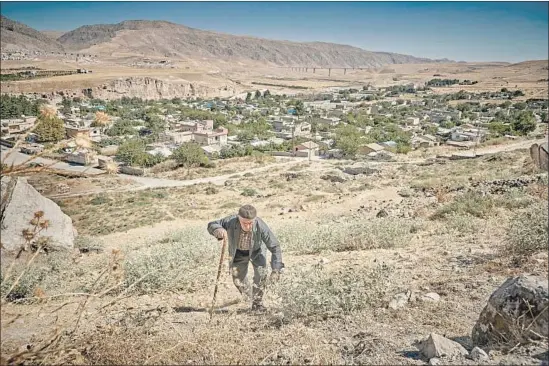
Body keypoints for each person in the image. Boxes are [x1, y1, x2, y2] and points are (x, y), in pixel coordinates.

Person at [207, 204, 284, 312]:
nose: (248, 226)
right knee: (238, 279)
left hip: (257, 252)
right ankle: (250, 297)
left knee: (261, 275)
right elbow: (212, 224)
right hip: (238, 252)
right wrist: (217, 230)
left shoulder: (260, 225)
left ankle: (257, 304)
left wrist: (276, 269)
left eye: (250, 223)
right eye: (244, 223)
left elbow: (275, 246)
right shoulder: (230, 221)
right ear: (238, 218)